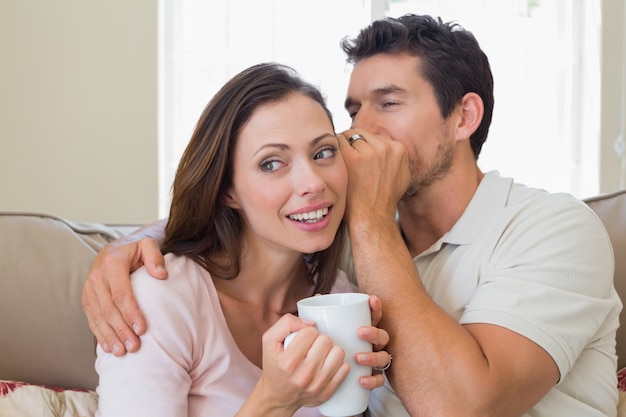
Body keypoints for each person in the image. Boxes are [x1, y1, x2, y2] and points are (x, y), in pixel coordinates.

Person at [83, 15, 622, 417]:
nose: (356, 133)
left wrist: (367, 218)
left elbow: (461, 406)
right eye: (352, 111)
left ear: (464, 116)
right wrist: (125, 248)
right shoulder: (334, 255)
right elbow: (256, 214)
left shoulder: (552, 229)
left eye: (387, 103)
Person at [94, 62, 391, 417]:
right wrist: (274, 400)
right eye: (271, 163)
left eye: (323, 152)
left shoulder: (341, 299)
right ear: (227, 190)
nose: (313, 182)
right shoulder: (160, 300)